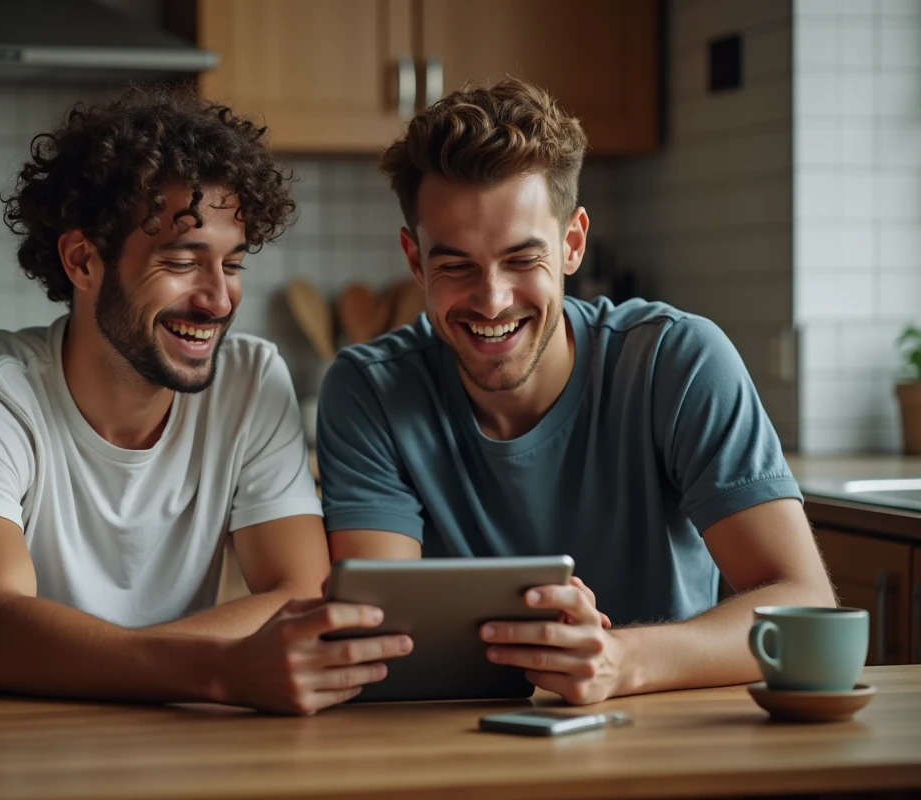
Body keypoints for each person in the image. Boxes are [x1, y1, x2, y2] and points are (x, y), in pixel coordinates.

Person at [0, 85, 412, 714]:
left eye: (232, 265)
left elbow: (302, 596)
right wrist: (219, 668)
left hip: (152, 739)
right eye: (183, 262)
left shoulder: (250, 382)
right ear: (83, 260)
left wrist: (46, 667)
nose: (218, 300)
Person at [316, 78, 835, 706]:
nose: (492, 300)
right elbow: (378, 640)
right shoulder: (368, 391)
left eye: (521, 260)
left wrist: (622, 661)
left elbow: (803, 601)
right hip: (452, 736)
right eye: (455, 265)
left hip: (665, 736)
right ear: (414, 259)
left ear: (572, 244)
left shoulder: (677, 362)